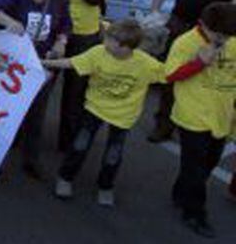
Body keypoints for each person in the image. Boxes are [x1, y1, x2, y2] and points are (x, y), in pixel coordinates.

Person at [41, 20, 162, 208]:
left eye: (111, 40)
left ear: (125, 48)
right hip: (94, 108)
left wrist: (198, 63)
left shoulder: (145, 63)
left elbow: (171, 74)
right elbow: (72, 63)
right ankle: (65, 177)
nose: (106, 42)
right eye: (108, 38)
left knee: (113, 154)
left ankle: (106, 186)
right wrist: (44, 62)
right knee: (80, 145)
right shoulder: (99, 53)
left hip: (124, 116)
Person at [148, 0, 236, 142]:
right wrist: (155, 11)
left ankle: (207, 125)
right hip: (181, 24)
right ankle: (163, 125)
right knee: (172, 75)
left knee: (211, 77)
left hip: (215, 32)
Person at [0, 0, 71, 179]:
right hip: (13, 62)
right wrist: (9, 21)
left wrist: (61, 41)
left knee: (37, 112)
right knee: (6, 111)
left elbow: (65, 23)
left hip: (42, 62)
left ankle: (31, 160)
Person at [165, 2, 236, 237]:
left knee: (209, 162)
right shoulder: (186, 43)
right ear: (203, 25)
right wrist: (199, 63)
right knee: (195, 168)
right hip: (192, 115)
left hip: (221, 115)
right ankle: (195, 213)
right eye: (219, 35)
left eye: (228, 36)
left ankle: (181, 191)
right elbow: (170, 75)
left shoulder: (231, 40)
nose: (223, 40)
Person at [54, 0, 112, 153]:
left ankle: (68, 143)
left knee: (75, 91)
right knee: (42, 86)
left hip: (84, 35)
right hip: (56, 32)